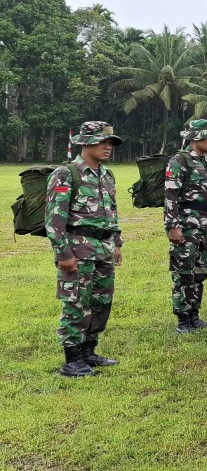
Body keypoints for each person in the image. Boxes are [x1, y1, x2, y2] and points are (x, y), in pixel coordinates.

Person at [45, 121, 124, 377]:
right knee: (76, 303)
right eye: (102, 142)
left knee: (101, 302)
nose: (107, 147)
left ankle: (89, 351)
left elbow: (112, 212)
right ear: (84, 143)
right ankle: (72, 360)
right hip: (78, 250)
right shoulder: (66, 173)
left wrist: (117, 243)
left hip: (104, 247)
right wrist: (63, 254)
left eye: (110, 142)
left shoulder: (106, 174)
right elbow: (54, 219)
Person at [165, 119, 207, 334]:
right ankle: (182, 319)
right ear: (195, 138)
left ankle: (194, 315)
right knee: (183, 272)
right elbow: (170, 196)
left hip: (204, 226)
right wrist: (173, 226)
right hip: (186, 226)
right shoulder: (180, 161)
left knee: (200, 271)